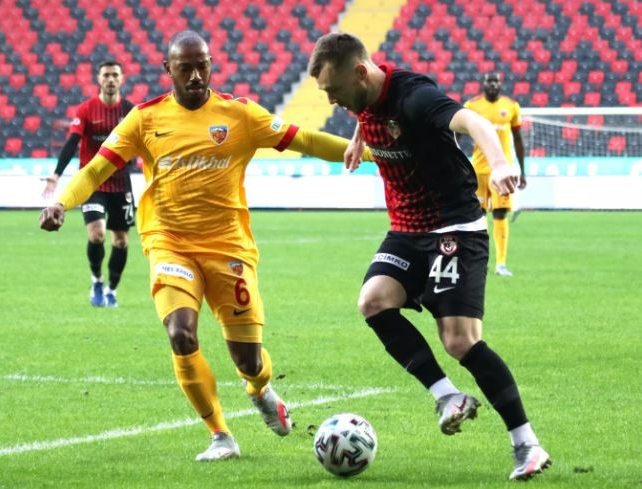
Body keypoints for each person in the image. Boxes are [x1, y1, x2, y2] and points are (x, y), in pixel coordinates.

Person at [39, 31, 371, 462]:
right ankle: (220, 435)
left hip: (228, 247)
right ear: (168, 70)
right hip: (169, 243)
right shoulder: (144, 118)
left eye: (203, 66)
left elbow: (304, 140)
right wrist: (61, 202)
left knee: (249, 360)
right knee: (180, 334)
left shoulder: (239, 114)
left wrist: (372, 153)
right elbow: (96, 168)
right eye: (186, 68)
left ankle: (260, 390)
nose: (196, 76)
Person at [308, 33, 550, 481]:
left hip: (453, 226)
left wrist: (499, 164)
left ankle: (527, 444)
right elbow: (367, 109)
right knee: (373, 301)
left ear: (359, 72)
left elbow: (475, 121)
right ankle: (447, 396)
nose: (332, 101)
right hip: (406, 228)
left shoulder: (416, 98)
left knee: (459, 341)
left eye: (334, 90)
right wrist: (360, 137)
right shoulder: (364, 93)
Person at [42, 60, 136, 307]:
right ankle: (96, 281)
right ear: (99, 79)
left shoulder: (130, 111)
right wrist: (56, 175)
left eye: (115, 75)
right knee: (97, 234)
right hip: (92, 183)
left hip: (120, 184)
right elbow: (72, 143)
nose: (110, 79)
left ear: (122, 79)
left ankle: (111, 290)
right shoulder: (86, 109)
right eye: (106, 75)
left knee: (121, 241)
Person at [464, 73, 527, 277]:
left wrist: (522, 170)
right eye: (489, 82)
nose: (492, 85)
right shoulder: (472, 106)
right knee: (477, 217)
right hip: (478, 171)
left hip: (502, 172)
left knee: (500, 213)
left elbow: (518, 139)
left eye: (496, 82)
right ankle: (479, 261)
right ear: (483, 84)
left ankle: (501, 263)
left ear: (500, 84)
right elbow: (456, 134)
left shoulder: (511, 106)